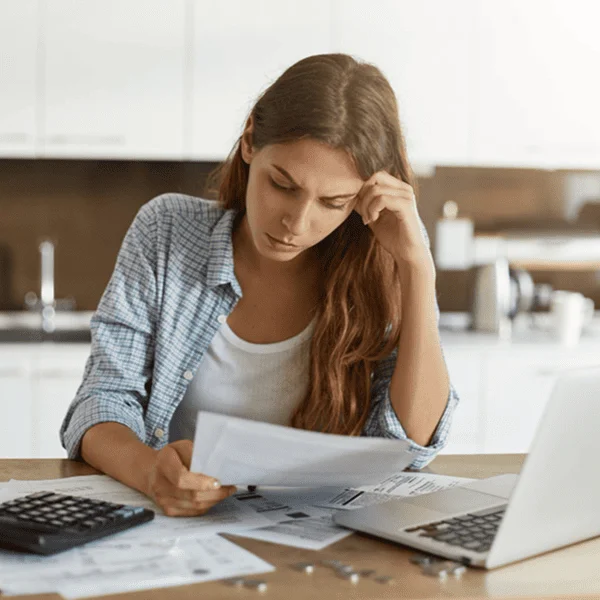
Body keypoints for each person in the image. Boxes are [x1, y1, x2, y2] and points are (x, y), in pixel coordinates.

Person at [60, 53, 460, 517]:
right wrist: (151, 473)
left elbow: (413, 442)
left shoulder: (382, 263)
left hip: (318, 542)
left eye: (332, 202)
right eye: (282, 185)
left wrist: (417, 267)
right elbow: (102, 400)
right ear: (250, 141)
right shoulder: (166, 231)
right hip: (178, 532)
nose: (296, 222)